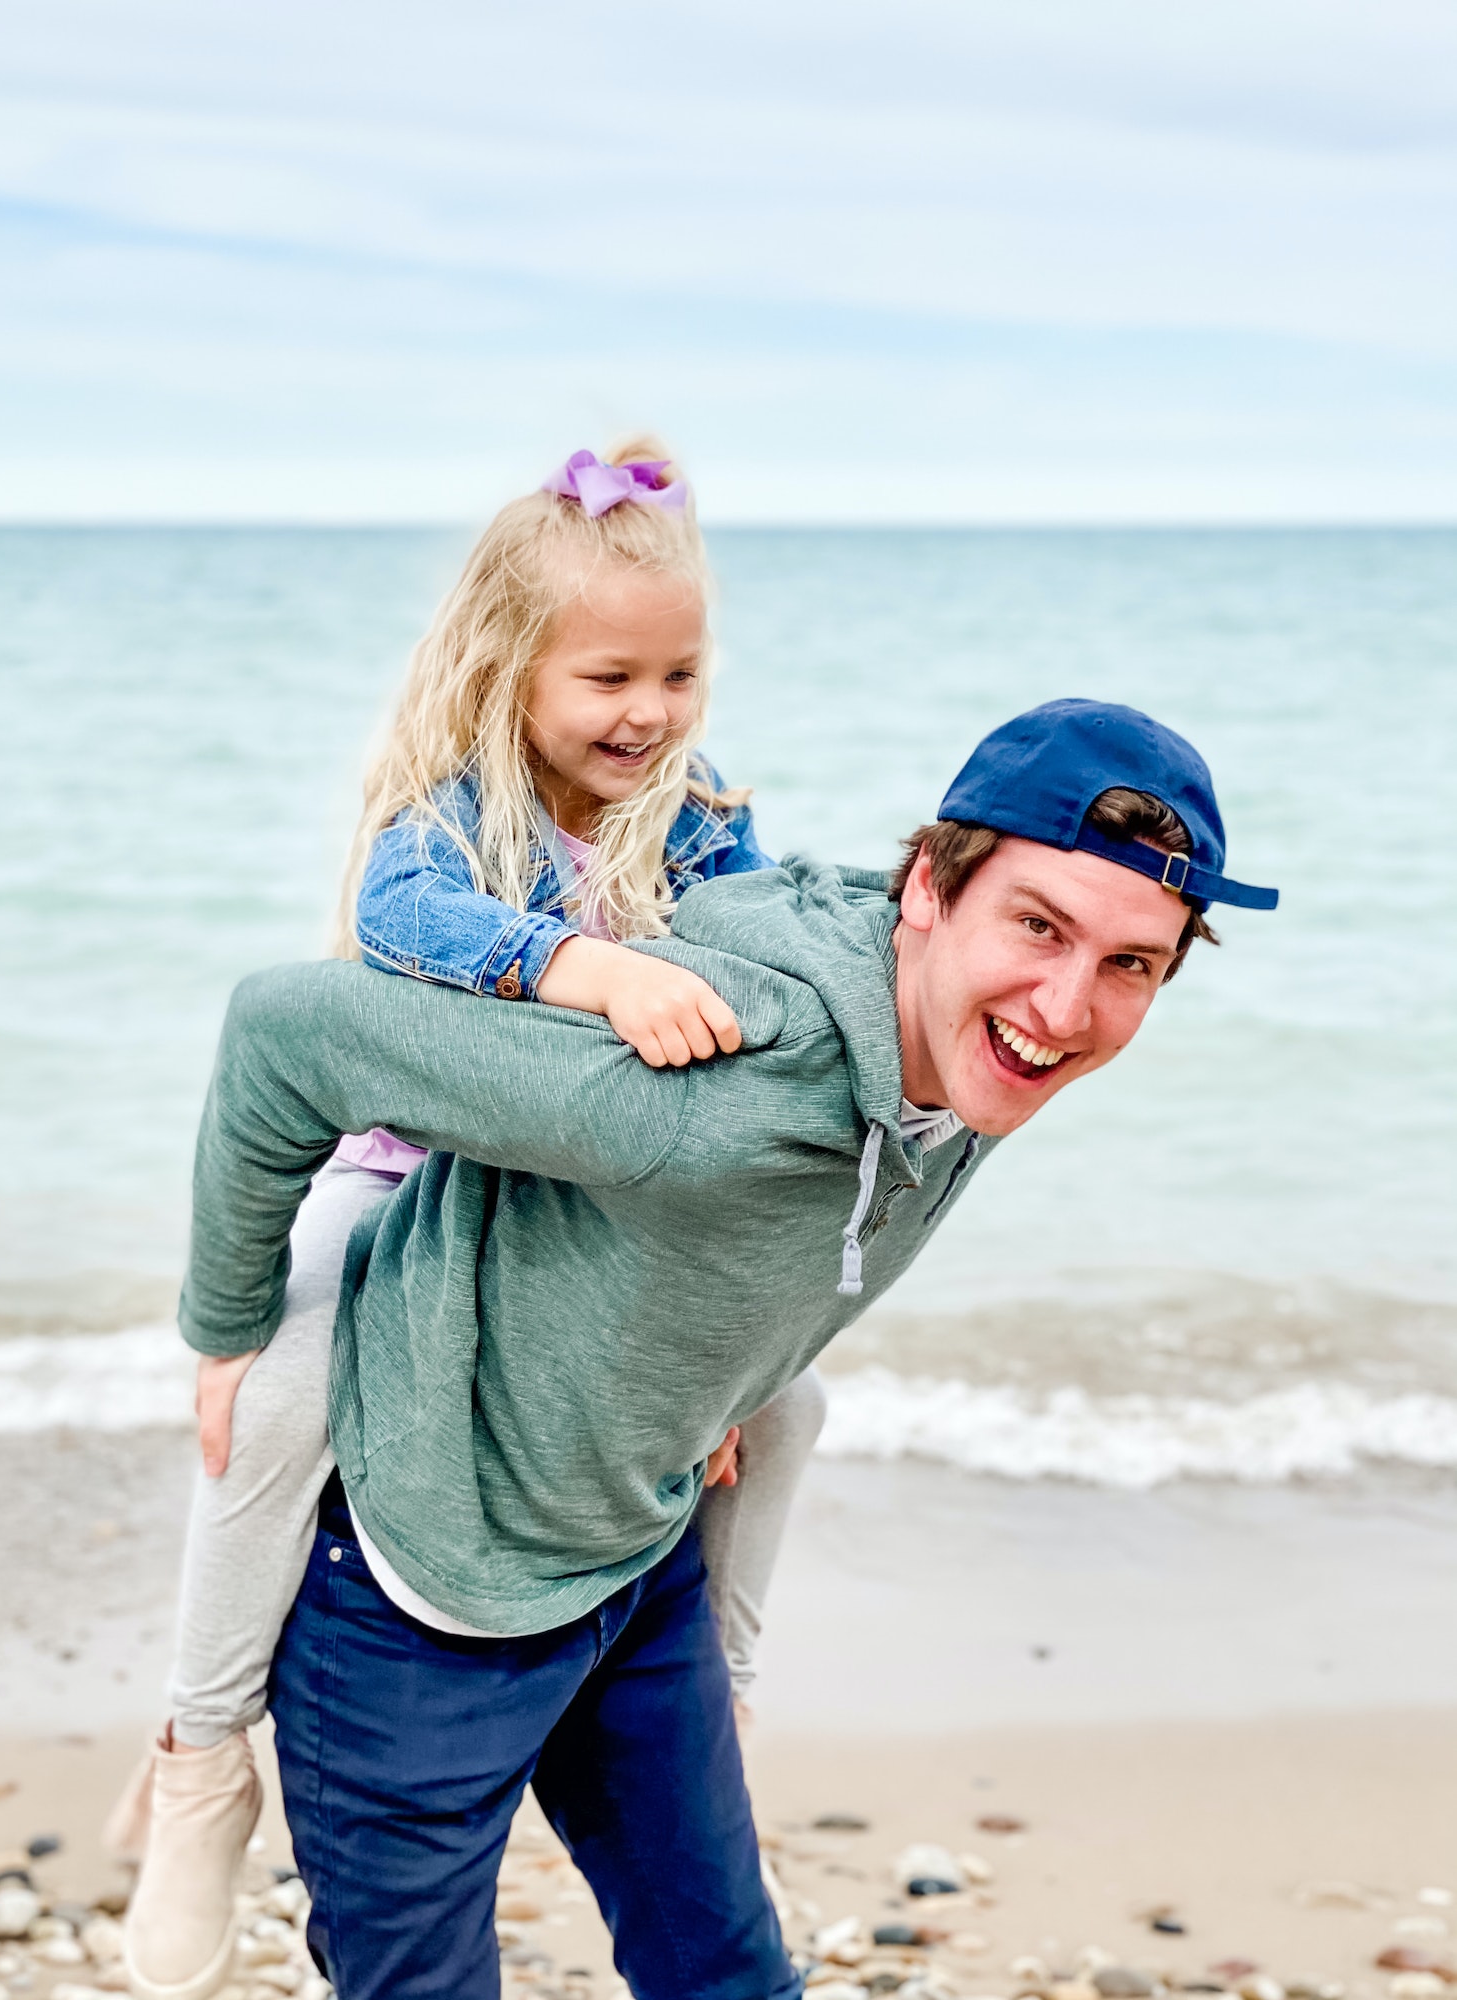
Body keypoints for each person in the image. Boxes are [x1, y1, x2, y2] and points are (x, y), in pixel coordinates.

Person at [168, 697, 1277, 2000]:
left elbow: (782, 1252)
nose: (1064, 1007)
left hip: (639, 1573)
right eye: (1036, 926)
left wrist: (723, 1377)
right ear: (928, 886)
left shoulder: (973, 1061)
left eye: (1130, 965)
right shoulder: (700, 1079)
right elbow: (285, 1034)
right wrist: (232, 1324)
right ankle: (189, 1753)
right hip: (420, 1599)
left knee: (732, 1978)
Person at [114, 442, 828, 2000]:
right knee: (284, 1385)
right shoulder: (454, 814)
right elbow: (397, 925)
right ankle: (197, 1749)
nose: (649, 711)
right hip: (402, 1170)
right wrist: (596, 973)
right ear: (515, 669)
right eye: (611, 677)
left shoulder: (701, 815)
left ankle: (728, 1696)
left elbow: (762, 956)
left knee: (794, 1399)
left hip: (586, 1198)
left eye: (682, 673)